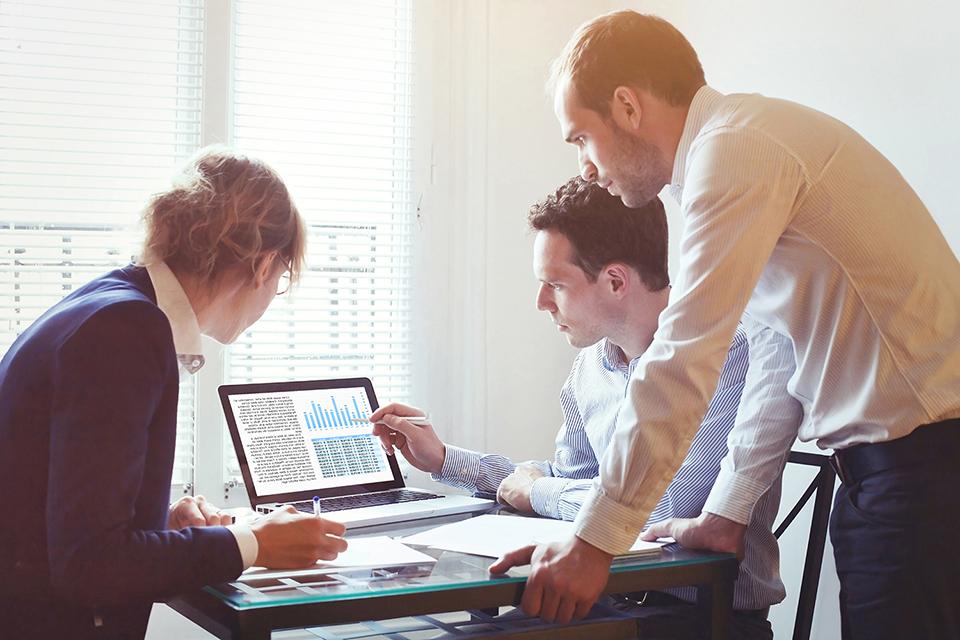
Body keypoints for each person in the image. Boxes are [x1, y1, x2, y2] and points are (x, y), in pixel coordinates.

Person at [490, 10, 960, 639]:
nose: (585, 167)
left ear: (627, 108)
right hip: (896, 472)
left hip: (921, 469)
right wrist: (727, 514)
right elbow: (777, 357)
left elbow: (685, 358)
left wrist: (594, 542)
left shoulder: (735, 150)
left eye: (580, 138)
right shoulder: (740, 145)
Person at [371, 178, 790, 639]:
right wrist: (447, 459)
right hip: (601, 601)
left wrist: (539, 492)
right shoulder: (590, 367)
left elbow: (658, 514)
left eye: (555, 284)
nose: (541, 302)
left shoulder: (727, 353)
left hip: (700, 619)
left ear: (614, 281)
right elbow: (572, 484)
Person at [0, 147, 349, 639]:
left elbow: (59, 512)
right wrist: (249, 543)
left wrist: (160, 524)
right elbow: (90, 564)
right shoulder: (127, 330)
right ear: (264, 264)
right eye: (283, 278)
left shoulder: (107, 304)